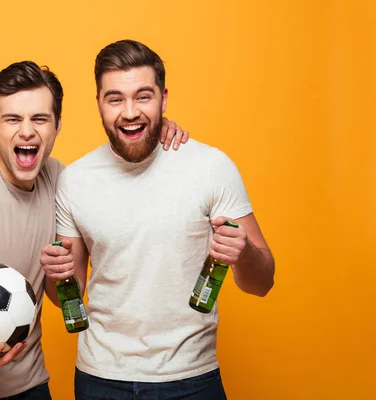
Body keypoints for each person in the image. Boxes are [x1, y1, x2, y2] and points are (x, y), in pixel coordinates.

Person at [0, 60, 189, 400]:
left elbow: (56, 295)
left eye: (39, 119)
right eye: (12, 119)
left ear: (57, 124)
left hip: (32, 385)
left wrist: (156, 130)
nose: (27, 131)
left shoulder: (60, 182)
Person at [40, 39, 275, 400]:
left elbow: (262, 283)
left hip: (191, 379)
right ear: (99, 104)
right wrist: (58, 275)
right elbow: (65, 296)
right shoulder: (76, 179)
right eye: (115, 98)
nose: (129, 111)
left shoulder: (210, 168)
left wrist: (242, 253)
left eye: (143, 96)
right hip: (99, 379)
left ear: (163, 99)